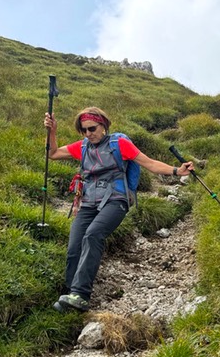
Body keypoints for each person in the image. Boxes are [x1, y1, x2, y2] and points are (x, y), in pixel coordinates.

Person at [44, 106, 194, 312]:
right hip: (88, 201)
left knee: (93, 235)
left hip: (116, 200)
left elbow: (149, 163)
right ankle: (69, 295)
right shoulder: (83, 147)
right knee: (74, 247)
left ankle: (80, 294)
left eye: (92, 129)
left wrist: (177, 171)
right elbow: (52, 153)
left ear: (103, 125)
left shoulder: (119, 144)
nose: (89, 134)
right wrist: (52, 131)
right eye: (84, 130)